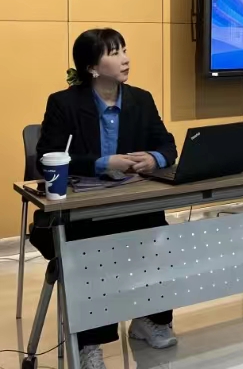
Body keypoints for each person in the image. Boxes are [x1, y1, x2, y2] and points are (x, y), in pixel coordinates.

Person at [32, 29, 178, 369]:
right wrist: (102, 163)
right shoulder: (64, 103)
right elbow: (46, 157)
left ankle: (150, 319)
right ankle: (89, 342)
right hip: (85, 209)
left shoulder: (141, 99)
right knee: (94, 252)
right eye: (114, 53)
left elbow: (168, 145)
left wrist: (154, 158)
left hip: (132, 202)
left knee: (160, 238)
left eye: (124, 50)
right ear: (92, 68)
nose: (125, 59)